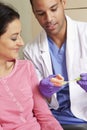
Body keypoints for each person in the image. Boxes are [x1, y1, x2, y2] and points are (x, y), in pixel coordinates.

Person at [23, 0, 87, 129]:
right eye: (41, 13)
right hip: (53, 118)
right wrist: (43, 91)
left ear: (63, 3)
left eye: (53, 9)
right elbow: (37, 101)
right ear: (34, 13)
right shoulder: (30, 51)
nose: (48, 19)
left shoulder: (85, 33)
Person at [0, 2, 63, 130]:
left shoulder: (26, 68)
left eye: (20, 34)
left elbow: (44, 116)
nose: (22, 42)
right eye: (14, 38)